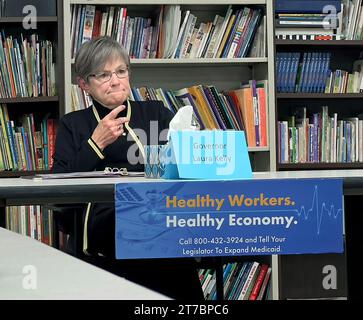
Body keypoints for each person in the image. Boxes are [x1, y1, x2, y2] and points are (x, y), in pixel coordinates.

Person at [52, 36, 204, 300]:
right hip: (106, 229)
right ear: (84, 84)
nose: (115, 81)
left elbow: (192, 160)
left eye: (121, 71)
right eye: (103, 75)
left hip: (162, 222)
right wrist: (95, 143)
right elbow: (59, 189)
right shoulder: (73, 124)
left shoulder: (155, 113)